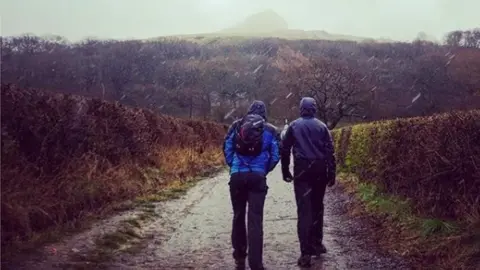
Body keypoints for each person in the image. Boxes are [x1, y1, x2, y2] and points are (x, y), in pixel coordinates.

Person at [223, 100, 280, 270]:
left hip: (237, 176)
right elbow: (275, 154)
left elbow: (227, 147)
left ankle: (239, 253)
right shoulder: (270, 129)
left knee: (238, 215)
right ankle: (256, 263)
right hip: (257, 177)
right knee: (255, 220)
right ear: (264, 113)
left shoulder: (236, 125)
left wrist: (232, 166)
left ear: (249, 111)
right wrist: (264, 170)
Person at [280, 97, 336, 268]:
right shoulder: (322, 126)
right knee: (318, 207)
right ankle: (317, 244)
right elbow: (330, 151)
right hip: (319, 169)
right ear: (314, 109)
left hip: (302, 169)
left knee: (304, 210)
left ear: (301, 109)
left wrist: (285, 170)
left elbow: (284, 148)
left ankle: (305, 254)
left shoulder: (294, 126)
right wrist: (332, 173)